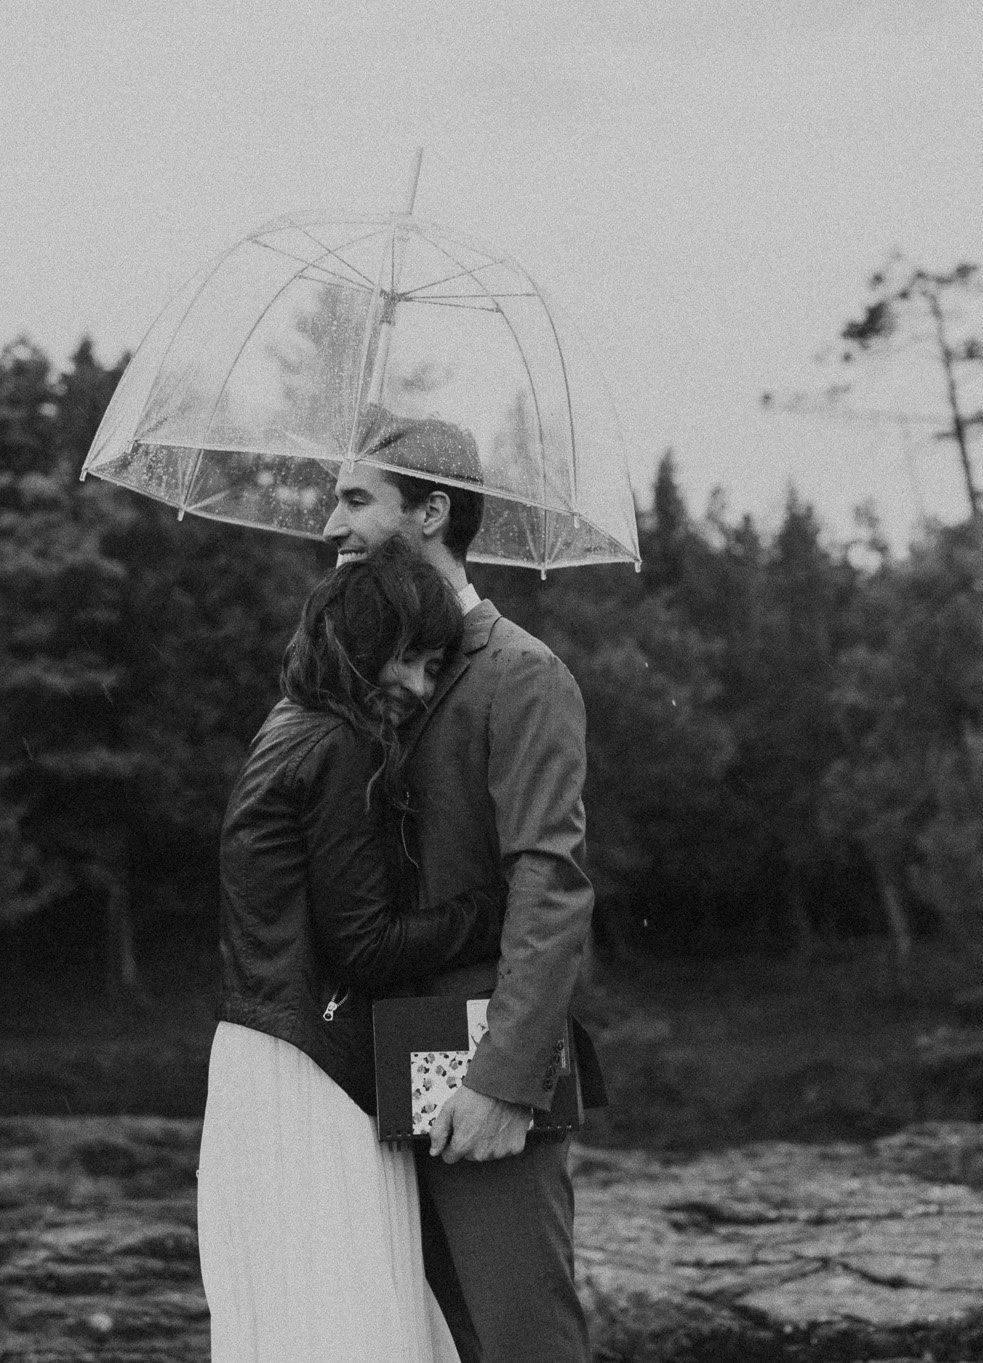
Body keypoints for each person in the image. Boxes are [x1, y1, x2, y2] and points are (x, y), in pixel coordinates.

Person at [323, 410, 603, 1363]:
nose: (330, 523)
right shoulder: (363, 673)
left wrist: (502, 1083)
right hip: (367, 1067)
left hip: (477, 1071)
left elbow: (550, 884)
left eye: (356, 499)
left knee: (519, 1344)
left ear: (432, 512)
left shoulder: (522, 674)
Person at [197, 537, 507, 1363]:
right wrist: (487, 910)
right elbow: (364, 946)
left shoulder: (289, 723)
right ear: (357, 646)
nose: (417, 683)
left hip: (265, 1053)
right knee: (347, 1318)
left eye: (433, 663)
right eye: (404, 657)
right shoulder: (342, 747)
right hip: (315, 1069)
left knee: (299, 1317)